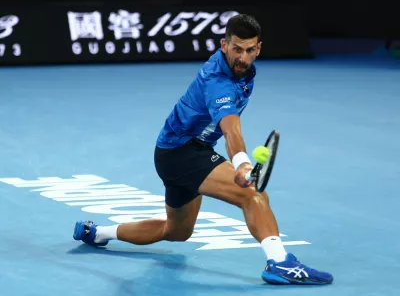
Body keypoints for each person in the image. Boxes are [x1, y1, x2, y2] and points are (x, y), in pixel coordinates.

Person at [73, 14, 333, 285]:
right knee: (253, 195)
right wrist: (242, 163)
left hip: (173, 153)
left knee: (176, 231)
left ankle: (99, 233)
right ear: (224, 45)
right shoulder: (217, 81)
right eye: (237, 49)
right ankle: (280, 262)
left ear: (259, 48)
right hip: (183, 152)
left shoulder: (242, 70)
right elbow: (231, 128)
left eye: (250, 50)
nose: (243, 58)